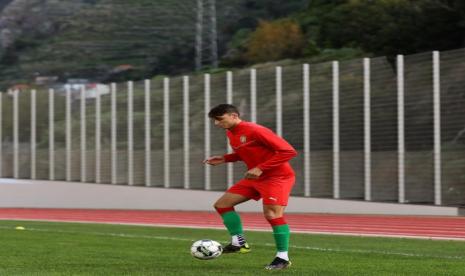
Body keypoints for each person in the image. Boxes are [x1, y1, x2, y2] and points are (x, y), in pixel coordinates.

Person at [204, 104, 297, 270]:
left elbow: (288, 151)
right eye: (214, 120)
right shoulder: (231, 133)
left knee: (272, 214)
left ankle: (282, 258)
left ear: (233, 115)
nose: (216, 124)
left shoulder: (255, 130)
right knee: (222, 204)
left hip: (277, 177)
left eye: (219, 119)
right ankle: (238, 243)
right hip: (255, 177)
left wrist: (261, 168)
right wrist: (226, 158)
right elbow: (246, 152)